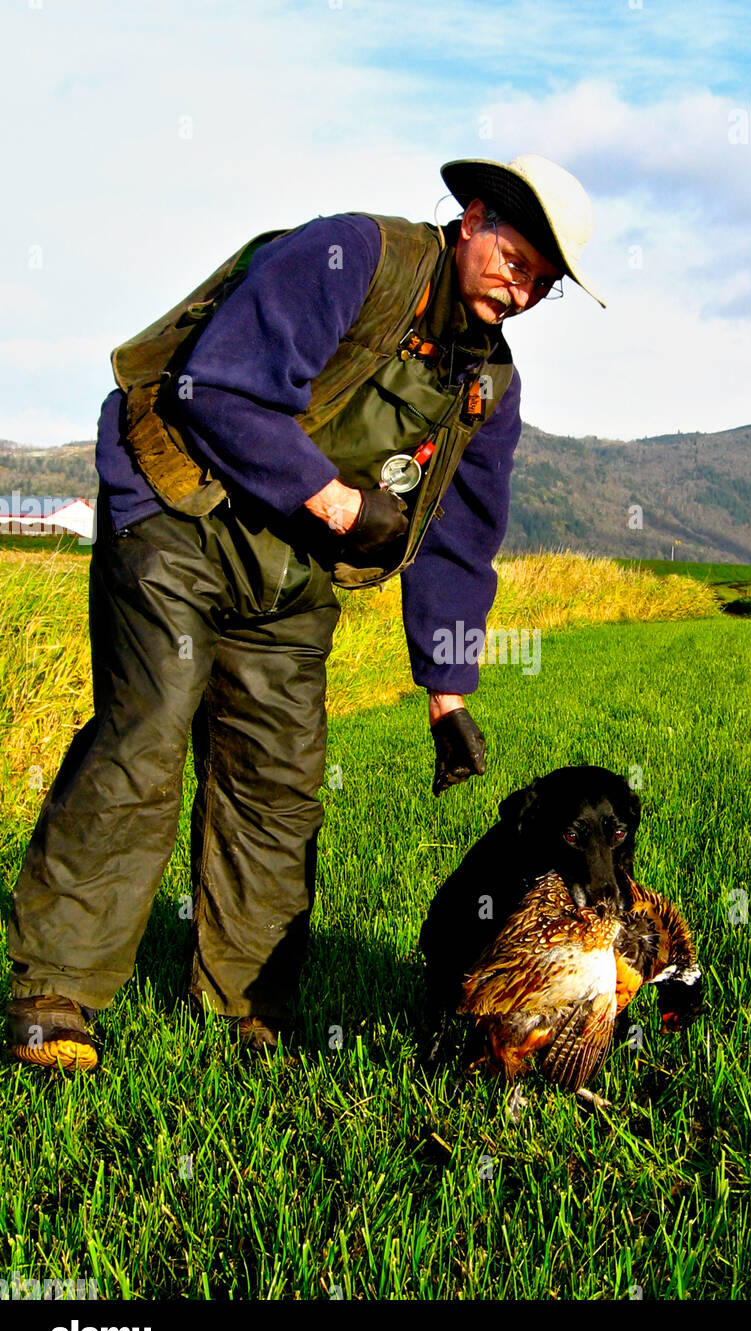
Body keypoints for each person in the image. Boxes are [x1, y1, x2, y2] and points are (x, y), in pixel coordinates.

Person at [4, 154, 604, 1072]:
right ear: (474, 215)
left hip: (288, 575)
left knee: (279, 782)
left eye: (542, 282)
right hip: (178, 515)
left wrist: (447, 692)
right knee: (147, 738)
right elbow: (221, 387)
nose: (520, 289)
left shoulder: (487, 384)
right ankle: (56, 996)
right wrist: (334, 501)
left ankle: (253, 1008)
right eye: (515, 258)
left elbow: (457, 538)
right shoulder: (354, 257)